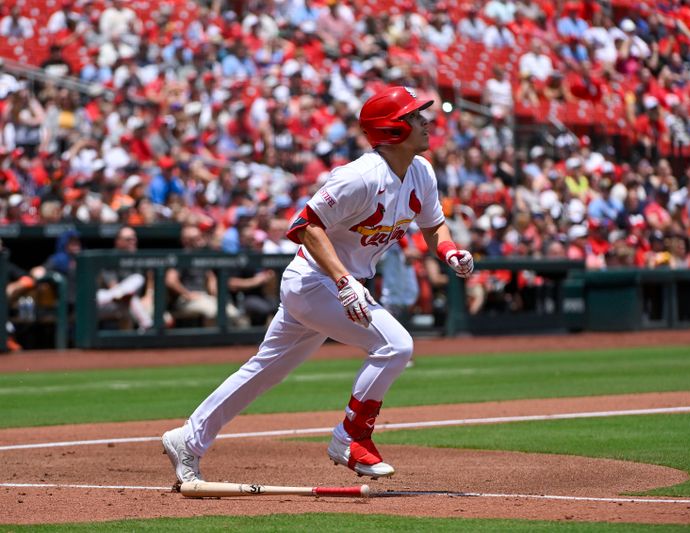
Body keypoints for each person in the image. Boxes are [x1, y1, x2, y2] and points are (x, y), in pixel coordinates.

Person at [162, 86, 474, 483]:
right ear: (393, 129)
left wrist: (448, 251)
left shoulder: (421, 172)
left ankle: (187, 440)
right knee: (395, 345)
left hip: (339, 285)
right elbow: (303, 225)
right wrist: (344, 280)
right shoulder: (360, 177)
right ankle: (350, 437)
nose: (425, 122)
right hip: (315, 282)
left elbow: (434, 226)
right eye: (415, 116)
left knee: (264, 371)